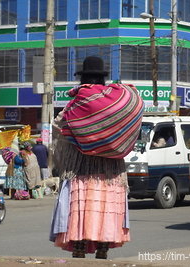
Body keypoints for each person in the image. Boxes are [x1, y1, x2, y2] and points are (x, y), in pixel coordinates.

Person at [49, 56, 143, 259]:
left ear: (83, 79)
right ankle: (102, 251)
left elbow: (59, 127)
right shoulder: (115, 101)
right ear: (102, 79)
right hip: (111, 172)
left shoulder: (77, 102)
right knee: (105, 213)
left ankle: (80, 250)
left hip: (81, 169)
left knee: (83, 212)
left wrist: (75, 142)